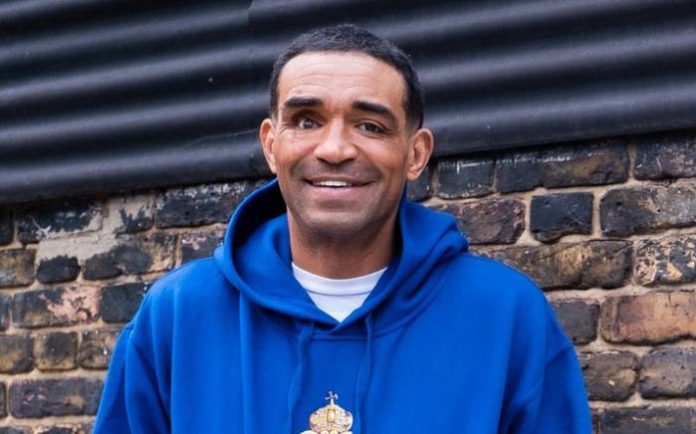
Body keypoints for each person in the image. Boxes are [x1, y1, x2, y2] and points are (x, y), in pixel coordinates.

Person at [94, 24, 591, 433]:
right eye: (306, 121)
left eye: (370, 126)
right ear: (271, 145)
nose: (334, 149)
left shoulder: (505, 316)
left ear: (416, 153)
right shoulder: (178, 315)